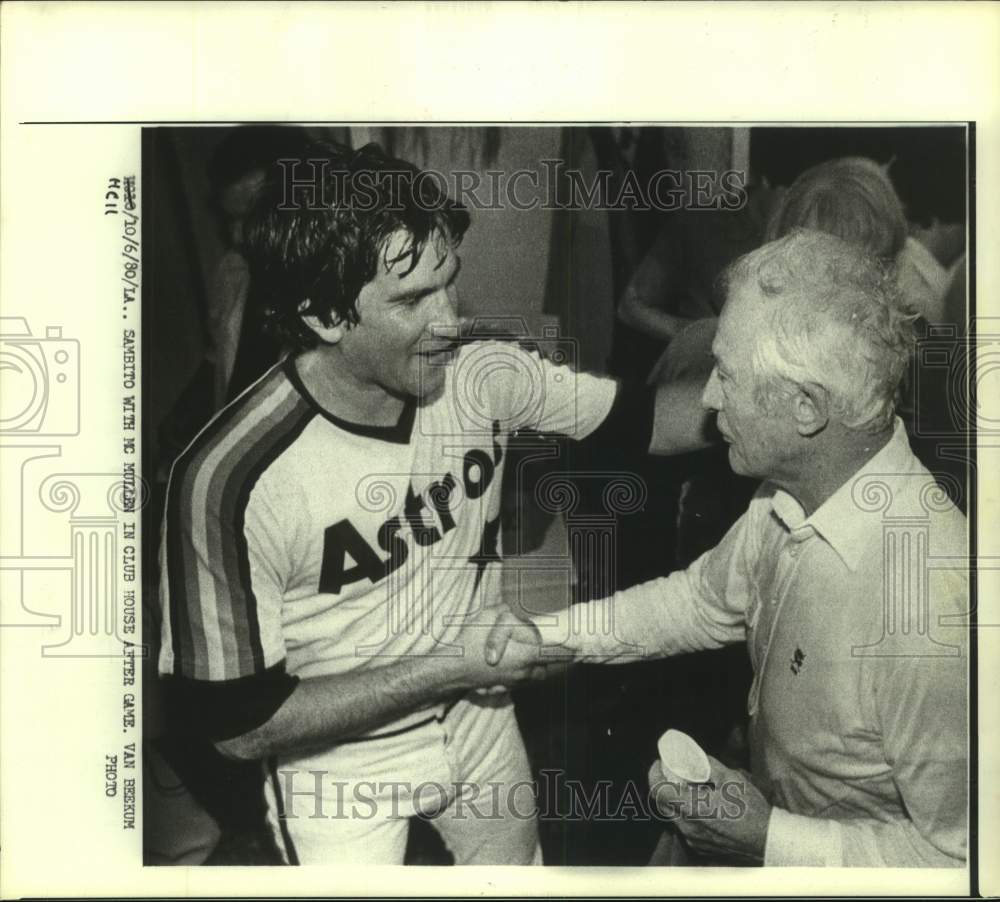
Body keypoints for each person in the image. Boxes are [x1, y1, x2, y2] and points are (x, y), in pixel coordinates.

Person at [157, 140, 709, 865]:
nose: (449, 319)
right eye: (413, 299)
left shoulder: (481, 369)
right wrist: (451, 666)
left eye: (450, 281)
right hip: (339, 760)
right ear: (324, 316)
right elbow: (241, 726)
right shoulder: (227, 478)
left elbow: (649, 424)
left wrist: (790, 384)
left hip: (476, 712)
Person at [488, 230, 968, 867]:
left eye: (727, 375)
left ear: (806, 408)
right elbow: (699, 601)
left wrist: (768, 840)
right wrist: (546, 636)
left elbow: (966, 861)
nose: (708, 398)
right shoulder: (789, 494)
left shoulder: (926, 614)